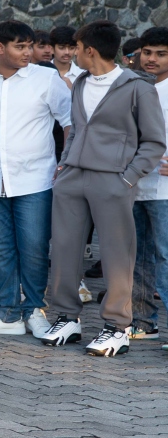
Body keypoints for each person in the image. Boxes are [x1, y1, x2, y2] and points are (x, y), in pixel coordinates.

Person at [38, 21, 168, 355]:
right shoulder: (80, 82)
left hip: (113, 181)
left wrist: (127, 178)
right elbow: (76, 128)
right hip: (72, 178)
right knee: (64, 249)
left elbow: (154, 142)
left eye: (77, 47)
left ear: (90, 50)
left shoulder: (138, 88)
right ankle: (67, 318)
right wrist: (64, 164)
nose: (73, 53)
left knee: (116, 254)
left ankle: (116, 327)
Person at [0, 22, 71, 337]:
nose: (28, 52)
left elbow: (70, 122)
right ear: (0, 48)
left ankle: (35, 310)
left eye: (29, 46)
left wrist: (66, 162)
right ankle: (8, 314)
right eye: (20, 46)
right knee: (2, 249)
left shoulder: (46, 78)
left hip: (35, 179)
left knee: (34, 248)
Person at [129, 28, 168, 342]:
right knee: (136, 255)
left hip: (165, 189)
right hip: (131, 184)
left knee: (165, 257)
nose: (152, 59)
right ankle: (143, 321)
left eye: (161, 53)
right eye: (147, 52)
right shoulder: (130, 86)